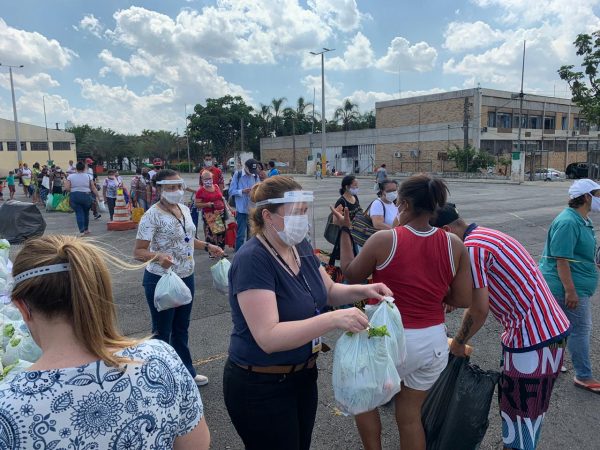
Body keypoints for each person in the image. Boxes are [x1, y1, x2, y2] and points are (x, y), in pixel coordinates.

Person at [224, 175, 392, 450]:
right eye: (296, 213)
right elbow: (269, 337)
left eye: (305, 211)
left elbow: (328, 291)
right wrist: (334, 318)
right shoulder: (253, 259)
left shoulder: (299, 246)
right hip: (261, 385)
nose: (303, 219)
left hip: (302, 376)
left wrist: (365, 290)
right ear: (268, 215)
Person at [1, 235, 210, 449]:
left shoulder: (7, 406)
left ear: (23, 307)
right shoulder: (161, 361)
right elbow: (196, 444)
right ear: (97, 291)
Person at [331, 174, 472, 450]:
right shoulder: (453, 244)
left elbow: (351, 275)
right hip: (432, 342)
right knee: (409, 416)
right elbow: (463, 298)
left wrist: (345, 230)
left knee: (365, 401)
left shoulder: (385, 240)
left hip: (389, 337)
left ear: (403, 203)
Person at [432, 203, 571, 450]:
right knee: (531, 413)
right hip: (551, 332)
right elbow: (477, 298)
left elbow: (478, 310)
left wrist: (458, 344)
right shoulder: (486, 235)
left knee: (520, 416)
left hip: (531, 341)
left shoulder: (472, 248)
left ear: (445, 230)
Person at [134, 169, 225, 386]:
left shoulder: (183, 208)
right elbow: (138, 252)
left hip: (186, 276)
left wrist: (207, 245)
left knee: (181, 328)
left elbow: (187, 238)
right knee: (162, 331)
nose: (176, 191)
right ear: (159, 189)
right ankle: (160, 379)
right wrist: (157, 257)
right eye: (170, 187)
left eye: (178, 186)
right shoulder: (151, 215)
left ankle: (186, 372)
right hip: (161, 279)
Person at [539, 179, 600, 394]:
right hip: (565, 286)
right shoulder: (569, 221)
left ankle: (553, 363)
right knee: (580, 329)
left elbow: (581, 253)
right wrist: (570, 290)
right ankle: (584, 375)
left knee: (560, 327)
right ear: (585, 197)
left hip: (576, 284)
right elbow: (561, 258)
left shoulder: (582, 220)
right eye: (597, 193)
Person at [229, 158, 260, 250]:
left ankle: (249, 253)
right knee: (241, 234)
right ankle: (238, 253)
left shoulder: (255, 176)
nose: (251, 173)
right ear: (245, 167)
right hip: (241, 210)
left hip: (252, 209)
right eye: (250, 170)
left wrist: (255, 192)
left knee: (251, 234)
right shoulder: (237, 175)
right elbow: (231, 191)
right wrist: (242, 191)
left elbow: (259, 189)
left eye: (253, 171)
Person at [64, 161, 101, 236]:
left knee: (79, 213)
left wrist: (74, 190)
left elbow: (67, 188)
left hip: (75, 196)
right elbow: (93, 188)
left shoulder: (70, 177)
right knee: (86, 213)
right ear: (84, 168)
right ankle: (86, 229)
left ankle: (81, 231)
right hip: (86, 195)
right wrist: (98, 197)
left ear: (76, 168)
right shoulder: (88, 176)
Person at [196, 170, 227, 250]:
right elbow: (197, 204)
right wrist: (207, 204)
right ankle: (212, 251)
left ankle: (221, 250)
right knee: (211, 234)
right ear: (202, 180)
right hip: (209, 214)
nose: (208, 180)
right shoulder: (200, 191)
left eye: (209, 178)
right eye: (205, 179)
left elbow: (221, 198)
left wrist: (228, 208)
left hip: (220, 213)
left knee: (221, 233)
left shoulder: (216, 186)